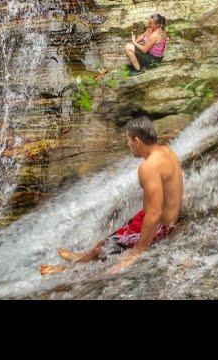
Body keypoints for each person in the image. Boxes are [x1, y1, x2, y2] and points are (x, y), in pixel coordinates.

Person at [39, 116, 183, 276]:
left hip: (159, 227)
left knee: (106, 249)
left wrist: (138, 251)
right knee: (107, 240)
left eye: (128, 140)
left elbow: (154, 213)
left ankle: (66, 272)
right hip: (161, 219)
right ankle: (79, 258)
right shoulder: (167, 151)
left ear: (137, 141)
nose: (128, 145)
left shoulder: (148, 167)